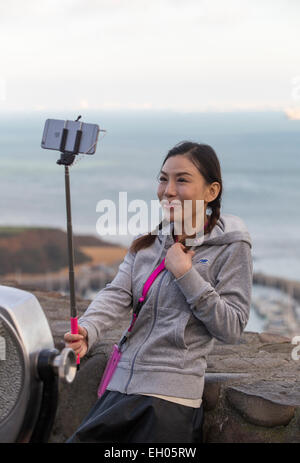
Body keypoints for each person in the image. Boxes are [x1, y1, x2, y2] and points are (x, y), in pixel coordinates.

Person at [64, 141, 253, 443]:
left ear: (211, 191)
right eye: (163, 178)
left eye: (182, 179)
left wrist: (185, 274)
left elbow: (232, 327)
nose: (168, 190)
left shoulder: (232, 247)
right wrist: (88, 331)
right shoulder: (146, 244)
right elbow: (116, 294)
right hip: (119, 389)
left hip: (169, 404)